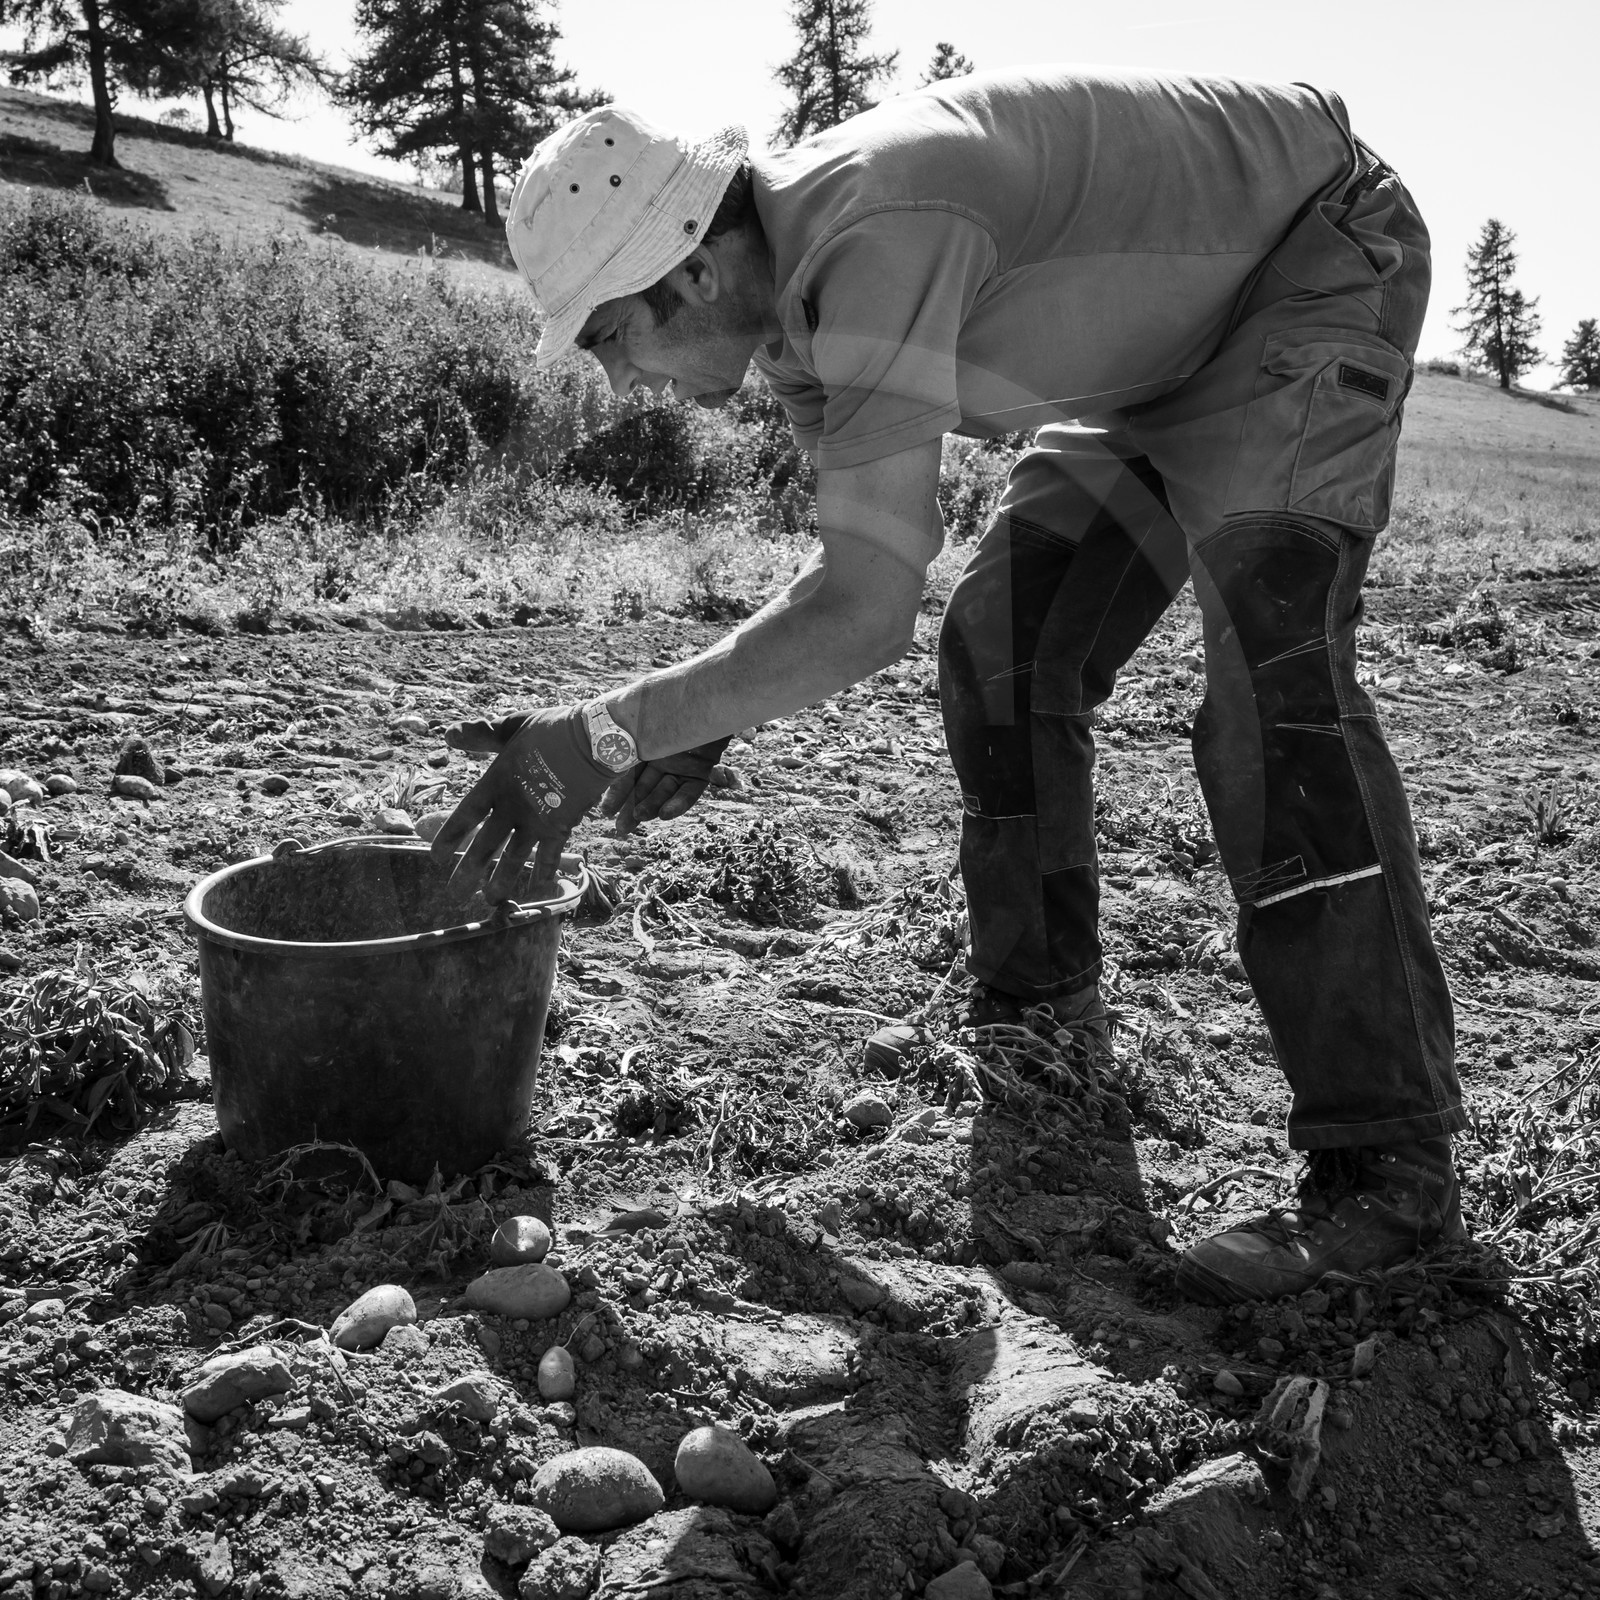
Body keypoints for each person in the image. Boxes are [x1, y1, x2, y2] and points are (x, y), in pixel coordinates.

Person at [432, 66, 1467, 1304]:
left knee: (1270, 668)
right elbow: (859, 571)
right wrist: (701, 722)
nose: (620, 381)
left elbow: (860, 615)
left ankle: (1386, 1167)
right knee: (1005, 645)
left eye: (611, 335)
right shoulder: (796, 323)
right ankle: (1041, 1016)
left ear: (693, 272)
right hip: (1149, 371)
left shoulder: (873, 234)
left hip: (1306, 268)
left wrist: (598, 735)